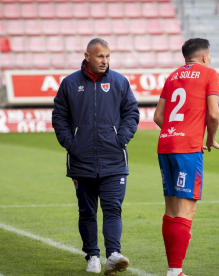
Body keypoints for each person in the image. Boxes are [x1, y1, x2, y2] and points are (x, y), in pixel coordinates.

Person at [52, 38, 139, 275]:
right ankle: (92, 255)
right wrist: (71, 144)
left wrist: (120, 138)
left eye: (108, 56)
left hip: (114, 160)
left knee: (112, 209)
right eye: (100, 56)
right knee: (87, 212)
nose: (105, 61)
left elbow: (132, 112)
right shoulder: (70, 83)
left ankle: (113, 254)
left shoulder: (119, 81)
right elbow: (58, 117)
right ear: (87, 56)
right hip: (82, 160)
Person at [153, 38, 219, 276]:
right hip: (187, 148)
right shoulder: (209, 73)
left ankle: (173, 269)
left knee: (171, 210)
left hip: (166, 144)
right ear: (205, 57)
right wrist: (210, 138)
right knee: (185, 211)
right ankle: (175, 271)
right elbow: (213, 115)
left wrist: (175, 131)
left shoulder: (172, 76)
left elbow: (158, 116)